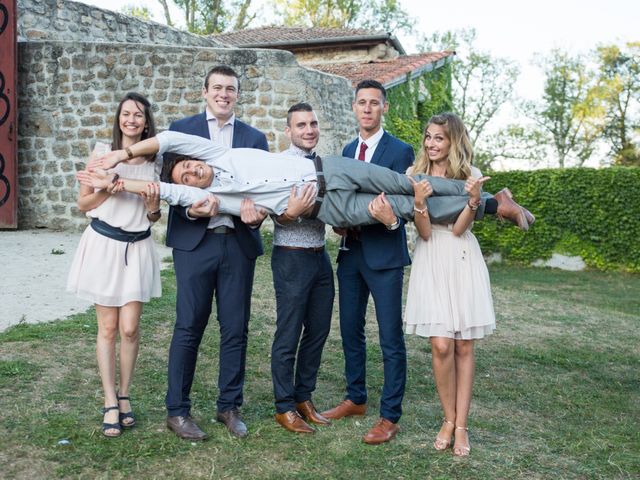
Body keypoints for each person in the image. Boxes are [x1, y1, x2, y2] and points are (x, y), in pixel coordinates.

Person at [81, 129, 531, 229]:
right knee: (403, 208)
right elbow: (164, 190)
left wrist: (123, 153)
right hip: (325, 207)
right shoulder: (215, 195)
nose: (192, 172)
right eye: (187, 176)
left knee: (402, 182)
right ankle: (493, 207)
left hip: (329, 168)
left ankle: (490, 195)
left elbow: (173, 137)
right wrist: (119, 185)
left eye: (189, 166)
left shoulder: (216, 151)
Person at [161, 65, 268, 440]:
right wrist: (190, 209)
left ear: (238, 95)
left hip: (237, 242)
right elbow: (167, 184)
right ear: (205, 91)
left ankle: (229, 406)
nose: (224, 94)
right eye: (217, 88)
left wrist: (255, 220)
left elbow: (264, 192)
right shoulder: (181, 130)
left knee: (235, 328)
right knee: (189, 326)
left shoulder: (255, 139)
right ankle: (177, 411)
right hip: (195, 242)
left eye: (231, 89)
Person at [321, 79, 414, 446]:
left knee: (390, 337)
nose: (367, 108)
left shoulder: (401, 151)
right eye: (362, 102)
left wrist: (389, 219)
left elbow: (407, 205)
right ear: (354, 107)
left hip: (385, 253)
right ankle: (355, 398)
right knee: (349, 330)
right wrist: (340, 224)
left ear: (384, 108)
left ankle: (390, 415)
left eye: (374, 103)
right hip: (350, 253)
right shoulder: (346, 149)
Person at [67, 92, 162, 438]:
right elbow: (83, 203)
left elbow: (154, 215)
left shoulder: (155, 162)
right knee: (107, 328)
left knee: (131, 328)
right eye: (126, 114)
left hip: (136, 247)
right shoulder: (101, 154)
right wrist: (109, 186)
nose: (132, 120)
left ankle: (125, 394)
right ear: (118, 119)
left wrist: (152, 208)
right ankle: (109, 400)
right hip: (104, 245)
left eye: (138, 115)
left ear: (147, 122)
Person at [404, 112, 497, 457]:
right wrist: (418, 202)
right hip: (431, 256)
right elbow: (425, 233)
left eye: (439, 138)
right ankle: (447, 417)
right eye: (428, 137)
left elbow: (459, 229)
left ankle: (460, 426)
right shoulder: (415, 176)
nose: (431, 144)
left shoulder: (470, 175)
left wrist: (474, 200)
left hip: (461, 257)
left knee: (463, 346)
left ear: (453, 141)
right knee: (441, 345)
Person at [270, 103, 334, 434]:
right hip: (291, 255)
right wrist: (290, 212)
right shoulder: (279, 164)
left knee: (319, 330)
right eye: (301, 125)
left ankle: (303, 397)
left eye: (313, 124)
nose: (308, 130)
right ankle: (284, 407)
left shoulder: (323, 165)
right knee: (289, 332)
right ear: (289, 130)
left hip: (320, 256)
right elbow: (275, 214)